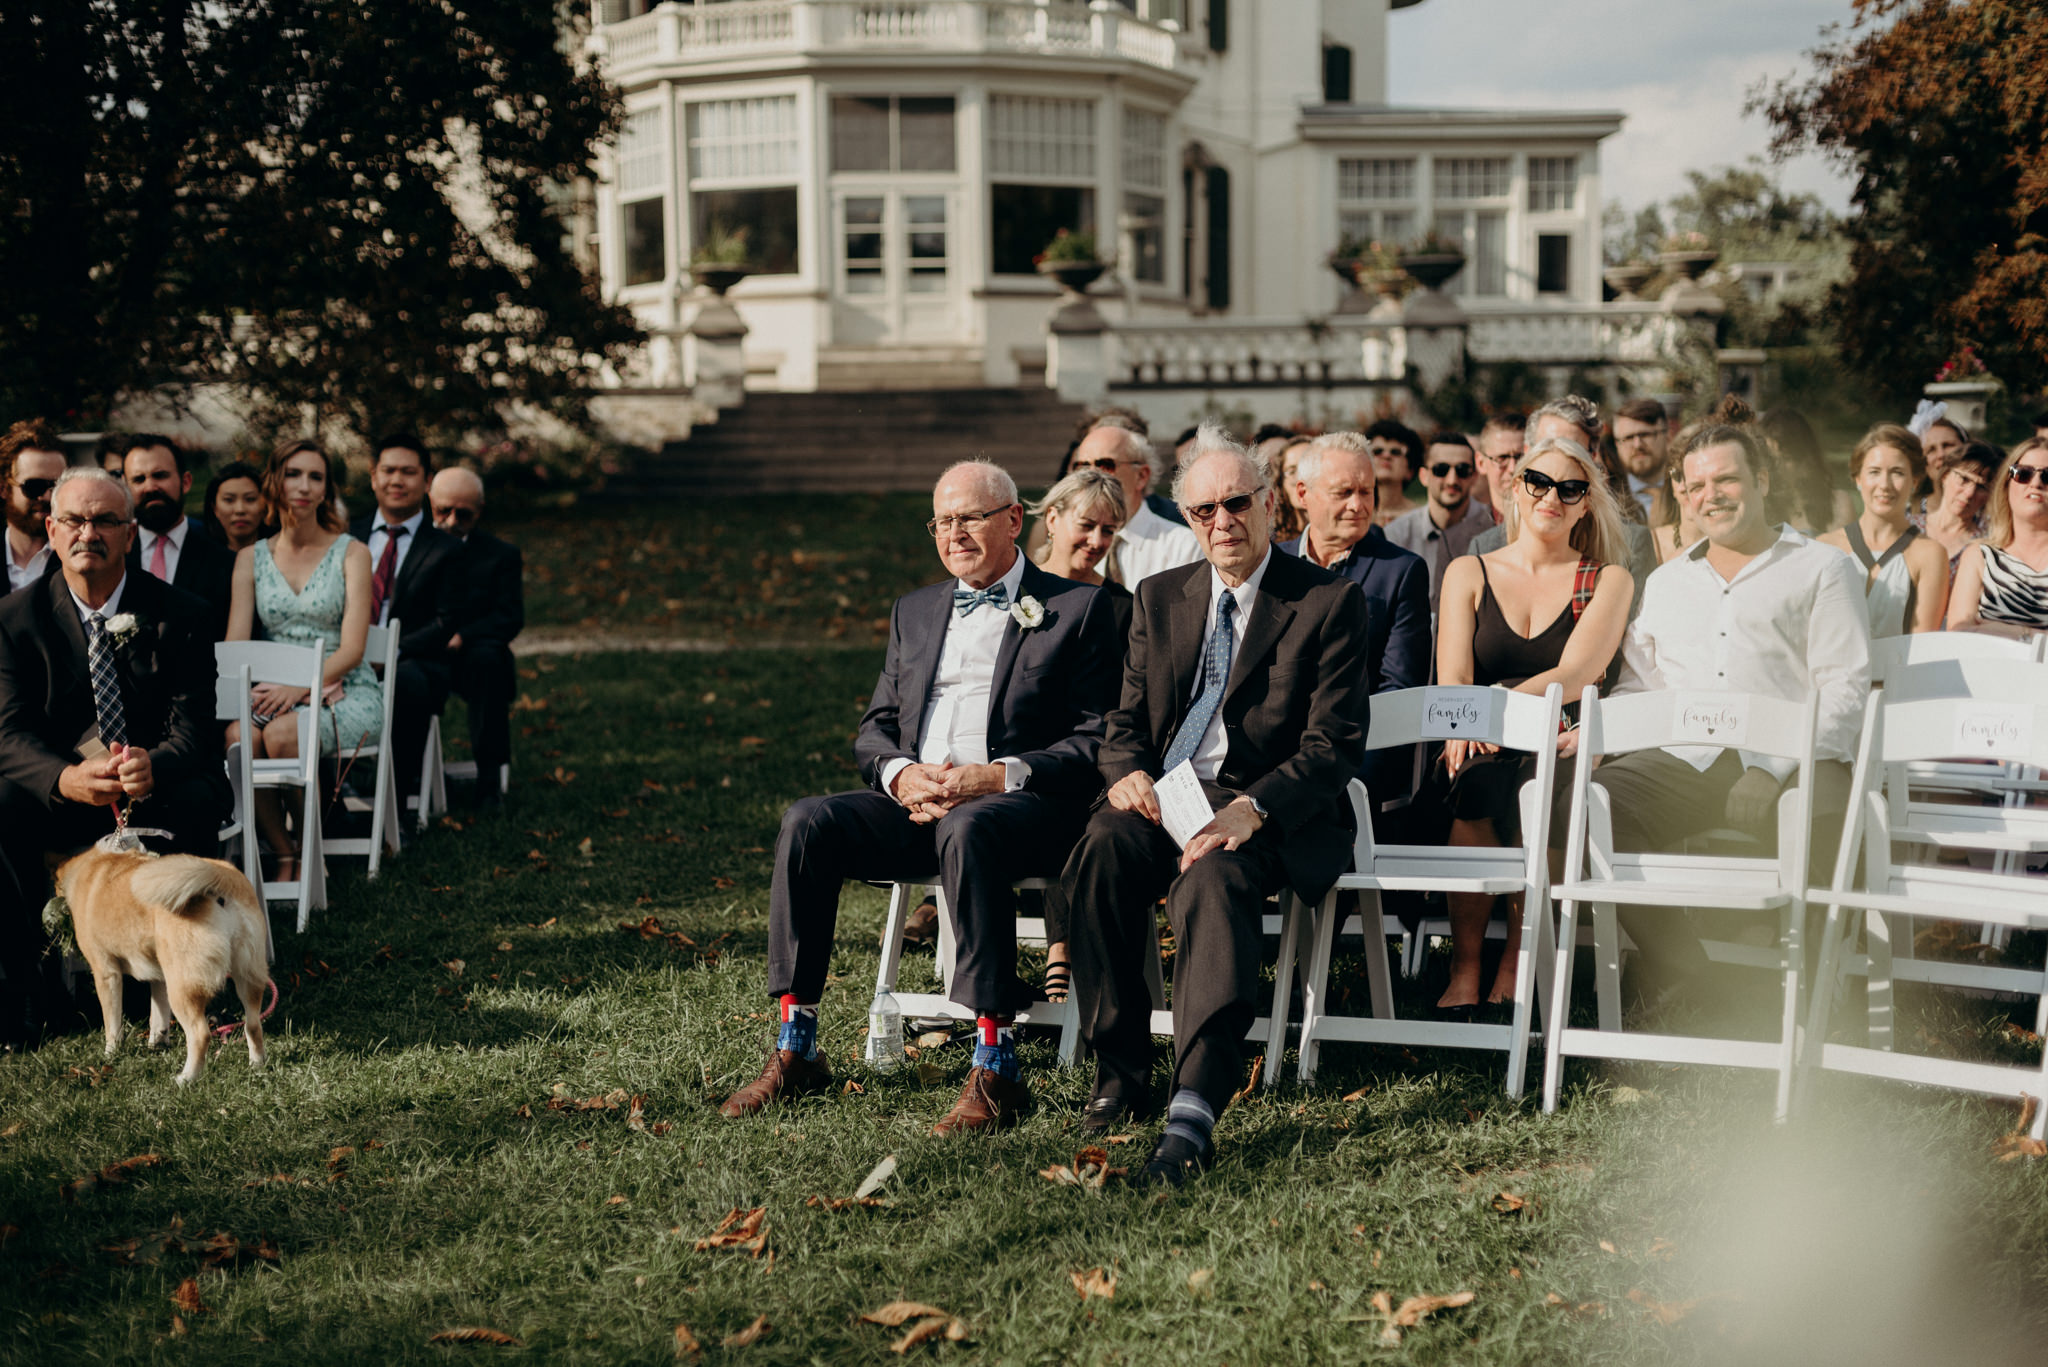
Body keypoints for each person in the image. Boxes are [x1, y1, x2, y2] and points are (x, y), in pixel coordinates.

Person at [719, 461, 1120, 1135]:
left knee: (972, 831)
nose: (953, 532)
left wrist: (994, 776)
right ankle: (797, 1043)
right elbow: (876, 726)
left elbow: (1096, 738)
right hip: (918, 803)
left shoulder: (1077, 609)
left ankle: (996, 1062)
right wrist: (902, 774)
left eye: (970, 517)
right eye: (942, 520)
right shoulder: (916, 609)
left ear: (1015, 519)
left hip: (1023, 808)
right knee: (808, 821)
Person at [1062, 425, 1368, 1185]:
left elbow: (1333, 745)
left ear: (1270, 503)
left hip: (1265, 805)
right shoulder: (1161, 597)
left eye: (1237, 503)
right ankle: (1121, 1072)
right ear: (1186, 516)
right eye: (1203, 510)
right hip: (1167, 797)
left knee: (1210, 880)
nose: (1221, 521)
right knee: (1099, 847)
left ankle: (1194, 1106)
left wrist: (1251, 811)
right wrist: (1127, 772)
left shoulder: (1327, 600)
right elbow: (1124, 723)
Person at [1554, 423, 1869, 1002]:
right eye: (1697, 486)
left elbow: (1844, 691)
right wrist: (1598, 733)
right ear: (1681, 494)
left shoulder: (1823, 568)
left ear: (1762, 481)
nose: (1712, 495)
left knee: (1828, 823)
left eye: (1727, 479)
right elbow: (1642, 687)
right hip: (1688, 757)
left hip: (1799, 756)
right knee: (1579, 807)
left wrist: (1769, 769)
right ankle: (1693, 974)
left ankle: (1818, 1000)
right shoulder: (1670, 582)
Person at [0, 469, 230, 1046]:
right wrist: (65, 778)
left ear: (130, 533)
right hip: (68, 794)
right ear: (51, 530)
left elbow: (197, 729)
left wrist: (156, 765)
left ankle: (192, 977)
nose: (88, 532)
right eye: (75, 520)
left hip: (159, 789)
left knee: (201, 795)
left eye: (105, 520)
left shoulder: (184, 613)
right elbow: (8, 735)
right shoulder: (12, 620)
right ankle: (29, 994)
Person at [1430, 434, 1633, 1009]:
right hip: (1481, 741)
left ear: (1586, 503)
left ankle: (1519, 963)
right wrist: (1475, 717)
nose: (1552, 497)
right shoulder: (1467, 570)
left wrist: (1494, 709)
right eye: (1538, 482)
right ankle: (1466, 965)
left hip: (1562, 743)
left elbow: (1578, 671)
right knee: (1474, 783)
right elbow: (1454, 679)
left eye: (1571, 489)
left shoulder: (1608, 579)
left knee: (1542, 790)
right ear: (1516, 488)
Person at [225, 442, 381, 882]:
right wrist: (266, 688)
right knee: (240, 737)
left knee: (283, 735)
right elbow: (236, 645)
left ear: (327, 489)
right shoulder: (249, 559)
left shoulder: (352, 553)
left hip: (346, 690)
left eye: (316, 477)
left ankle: (313, 851)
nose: (305, 486)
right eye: (294, 474)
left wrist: (303, 687)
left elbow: (352, 649)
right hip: (274, 690)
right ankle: (284, 850)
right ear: (275, 481)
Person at [1023, 466, 1134, 1002]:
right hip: (1014, 750)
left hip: (1091, 750)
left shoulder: (1122, 607)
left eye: (1108, 531)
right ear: (1053, 518)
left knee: (1077, 798)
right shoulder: (1015, 592)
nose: (1096, 541)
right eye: (1087, 525)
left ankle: (1061, 947)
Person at [1278, 430, 1430, 800]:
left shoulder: (1400, 571)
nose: (1359, 505)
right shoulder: (1271, 567)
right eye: (1343, 492)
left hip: (1357, 762)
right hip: (1273, 758)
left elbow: (1399, 688)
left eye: (1366, 491)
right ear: (1302, 494)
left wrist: (1335, 773)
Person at [348, 433, 467, 800]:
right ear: (373, 477)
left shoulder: (447, 548)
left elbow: (446, 621)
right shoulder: (347, 537)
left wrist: (390, 652)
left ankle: (393, 805)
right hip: (347, 657)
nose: (396, 481)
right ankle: (330, 800)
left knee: (406, 683)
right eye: (388, 471)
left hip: (414, 662)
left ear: (427, 481)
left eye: (408, 472)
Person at [1474, 397, 1661, 621]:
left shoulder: (1631, 543)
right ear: (1527, 451)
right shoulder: (1486, 546)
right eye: (1547, 445)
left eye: (1570, 449)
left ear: (1591, 459)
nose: (1556, 456)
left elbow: (1631, 639)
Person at [430, 467, 524, 810]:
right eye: (443, 511)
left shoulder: (501, 555)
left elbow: (510, 617)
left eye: (464, 514)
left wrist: (463, 636)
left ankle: (489, 779)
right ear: (431, 502)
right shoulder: (417, 547)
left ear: (480, 510)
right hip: (421, 648)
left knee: (490, 665)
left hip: (473, 651)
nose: (452, 520)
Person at [1819, 426, 1948, 638]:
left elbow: (1923, 646)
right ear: (1858, 479)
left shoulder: (1930, 554)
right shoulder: (1826, 546)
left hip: (1901, 670)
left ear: (1914, 482)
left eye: (1897, 473)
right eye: (1874, 472)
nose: (1884, 485)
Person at [121, 434, 236, 640]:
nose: (150, 487)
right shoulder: (113, 554)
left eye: (160, 475)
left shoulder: (223, 560)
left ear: (185, 481)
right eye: (139, 479)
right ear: (125, 487)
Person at [1071, 424, 1200, 589]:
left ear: (1141, 476)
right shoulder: (1072, 542)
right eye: (1082, 467)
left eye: (1105, 465)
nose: (1091, 476)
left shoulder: (1182, 547)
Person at [1948, 437, 2048, 637]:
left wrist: (2012, 631)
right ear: (2006, 484)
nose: (2035, 483)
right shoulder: (1979, 556)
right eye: (2023, 474)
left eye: (2047, 477)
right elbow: (1958, 636)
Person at [1385, 432, 1493, 610]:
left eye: (1462, 470)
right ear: (1423, 476)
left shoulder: (1493, 528)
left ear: (1474, 477)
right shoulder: (1397, 535)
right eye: (1441, 470)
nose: (1452, 480)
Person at [1909, 439, 1999, 573]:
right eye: (1964, 479)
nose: (1969, 493)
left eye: (1981, 487)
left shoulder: (1988, 544)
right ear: (1945, 476)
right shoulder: (1908, 527)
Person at [1760, 408, 1852, 534]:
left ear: (1805, 459)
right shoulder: (1758, 508)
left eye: (1787, 458)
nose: (1778, 467)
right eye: (1771, 459)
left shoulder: (1838, 504)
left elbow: (1844, 550)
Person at [3, 420, 66, 596]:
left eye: (56, 486)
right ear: (3, 488)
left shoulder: (79, 555)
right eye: (34, 487)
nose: (47, 496)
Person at [1613, 397, 1671, 519]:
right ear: (1617, 445)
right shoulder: (1608, 501)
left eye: (1645, 435)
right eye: (1628, 438)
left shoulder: (1688, 490)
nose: (1637, 445)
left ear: (1666, 436)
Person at [203, 459, 269, 553]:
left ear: (265, 505)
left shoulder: (283, 557)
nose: (240, 510)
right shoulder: (200, 557)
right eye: (229, 500)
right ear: (214, 508)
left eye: (250, 499)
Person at [1473, 412, 1526, 524]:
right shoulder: (1459, 538)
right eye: (1502, 458)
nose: (1513, 468)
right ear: (1481, 463)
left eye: (1520, 457)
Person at [1366, 418, 1422, 524]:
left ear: (1410, 470)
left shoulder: (1421, 518)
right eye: (1378, 451)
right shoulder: (1356, 514)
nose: (1386, 456)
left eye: (1395, 452)